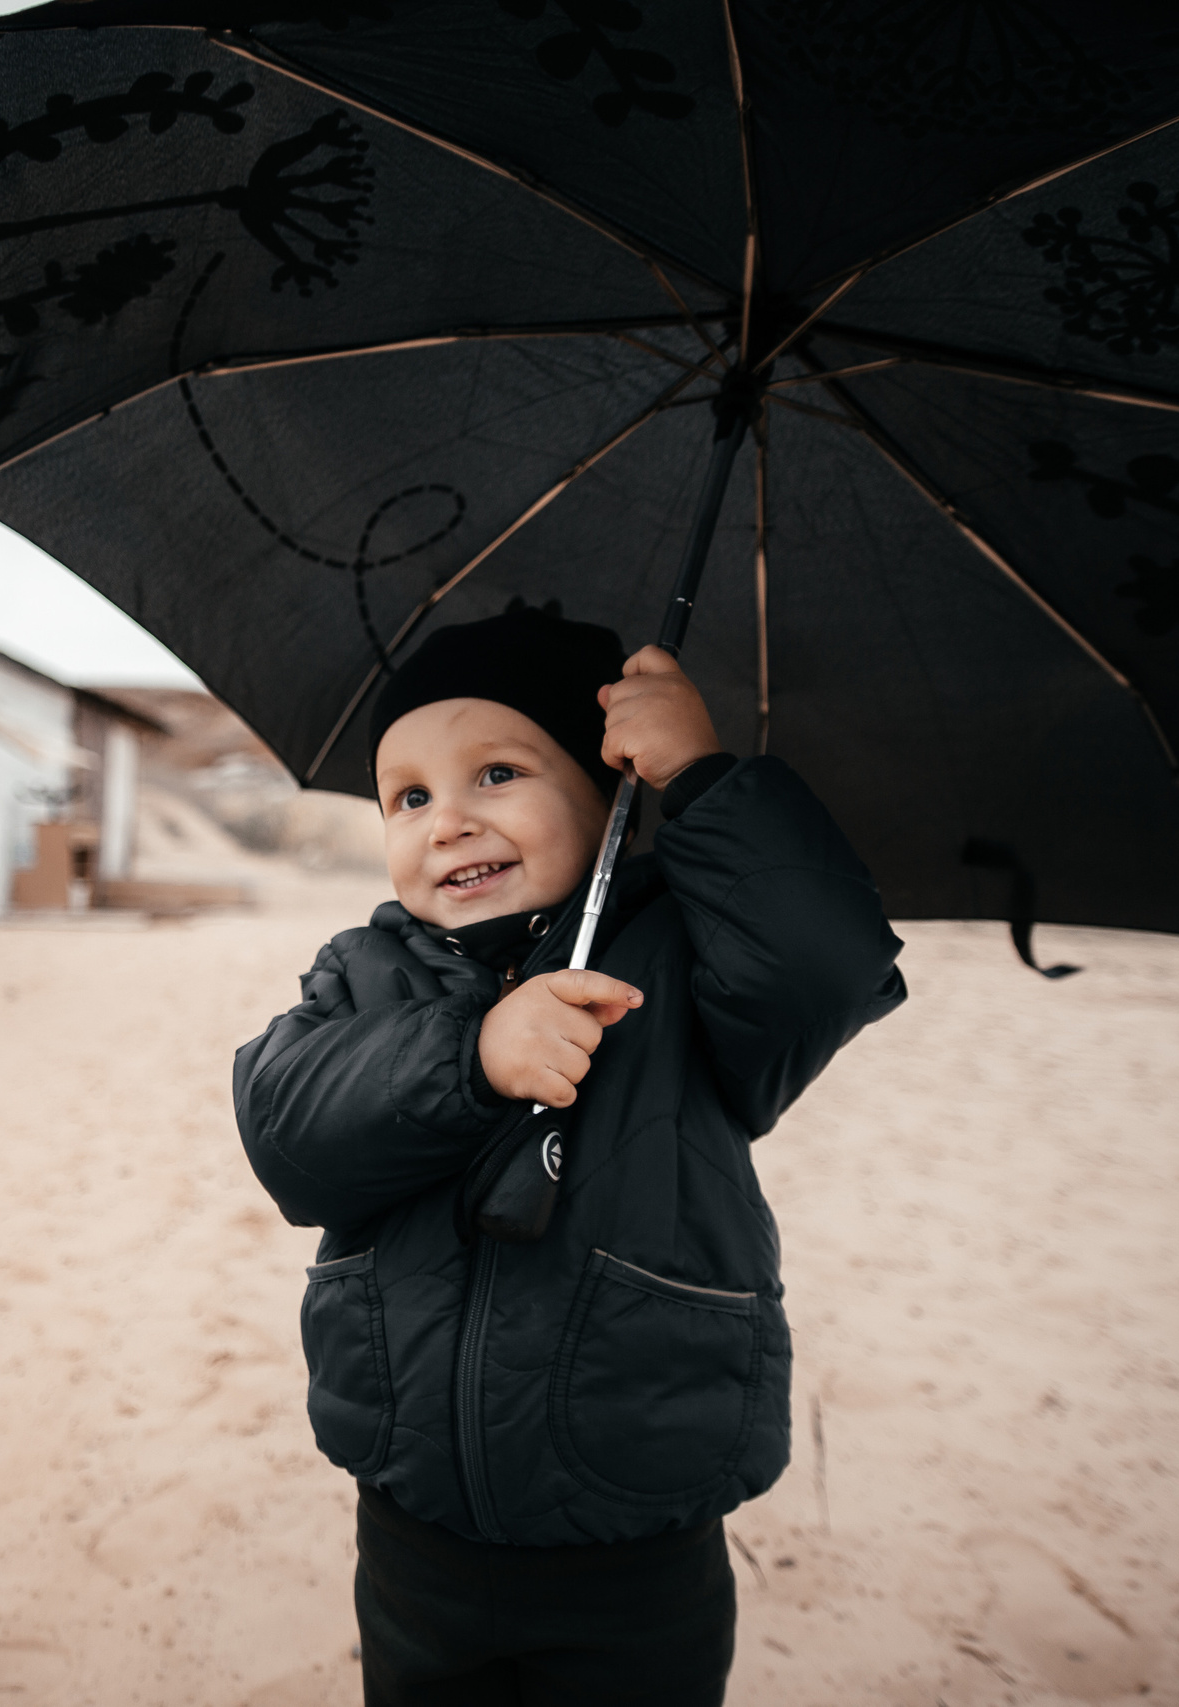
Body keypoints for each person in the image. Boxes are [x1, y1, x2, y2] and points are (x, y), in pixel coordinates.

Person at [233, 600, 908, 1706]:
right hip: (413, 1526)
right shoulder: (364, 974)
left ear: (609, 799)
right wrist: (469, 1051)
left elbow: (823, 963)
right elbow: (284, 1130)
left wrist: (700, 774)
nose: (445, 820)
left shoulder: (690, 956)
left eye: (496, 774)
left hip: (634, 1540)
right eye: (408, 795)